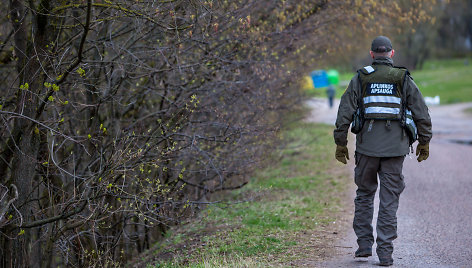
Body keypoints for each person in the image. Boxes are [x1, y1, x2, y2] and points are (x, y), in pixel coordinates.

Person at [333, 36, 432, 266]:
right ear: (391, 53)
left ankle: (364, 245)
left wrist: (340, 142)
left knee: (365, 194)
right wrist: (424, 141)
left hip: (367, 148)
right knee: (389, 200)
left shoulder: (361, 77)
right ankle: (385, 253)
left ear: (371, 54)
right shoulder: (402, 78)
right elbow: (421, 112)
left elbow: (345, 110)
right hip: (395, 150)